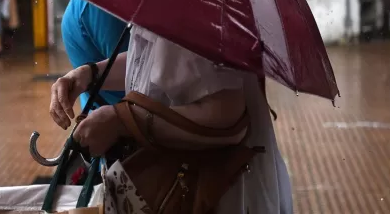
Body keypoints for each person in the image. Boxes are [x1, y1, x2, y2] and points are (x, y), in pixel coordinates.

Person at [50, 26, 293, 213]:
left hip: (210, 193)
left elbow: (227, 116)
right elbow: (150, 60)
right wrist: (90, 74)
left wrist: (120, 120)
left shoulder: (186, 2)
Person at [61, 0, 129, 108]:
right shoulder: (102, 7)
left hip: (100, 110)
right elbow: (138, 75)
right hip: (119, 115)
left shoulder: (87, 2)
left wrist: (87, 75)